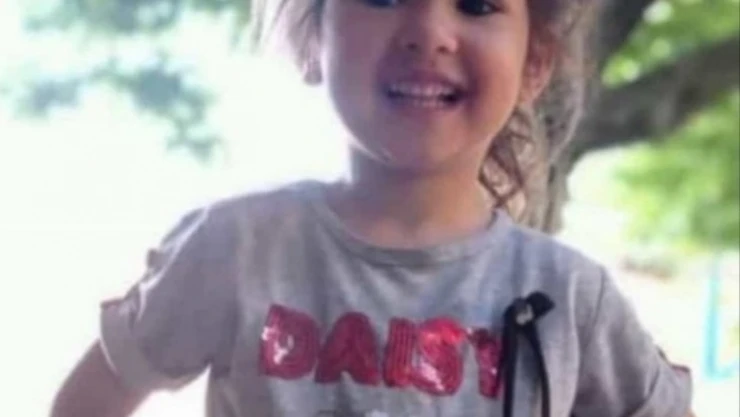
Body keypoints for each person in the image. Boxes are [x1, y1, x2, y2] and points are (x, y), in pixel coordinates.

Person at [51, 0, 694, 416]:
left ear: (535, 63)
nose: (428, 33)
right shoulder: (235, 248)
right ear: (314, 35)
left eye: (476, 4)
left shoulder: (569, 299)